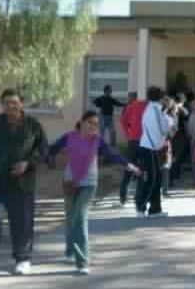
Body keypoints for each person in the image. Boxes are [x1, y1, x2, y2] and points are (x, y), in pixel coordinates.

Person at [0, 89, 48, 284]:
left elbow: (43, 151)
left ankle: (22, 259)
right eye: (6, 103)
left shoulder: (33, 125)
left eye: (14, 102)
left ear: (21, 104)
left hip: (22, 184)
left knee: (22, 222)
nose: (10, 106)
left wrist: (27, 164)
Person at [49, 111, 141, 275]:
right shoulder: (69, 137)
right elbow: (52, 149)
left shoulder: (97, 140)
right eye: (90, 122)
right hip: (70, 183)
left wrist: (129, 166)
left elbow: (112, 154)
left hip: (88, 184)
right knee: (70, 219)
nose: (93, 126)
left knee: (80, 218)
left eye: (96, 124)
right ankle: (70, 249)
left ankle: (82, 261)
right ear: (81, 122)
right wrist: (42, 158)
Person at [135, 86, 173, 218]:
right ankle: (141, 207)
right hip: (149, 148)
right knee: (151, 179)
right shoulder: (156, 109)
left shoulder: (151, 108)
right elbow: (164, 129)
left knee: (157, 178)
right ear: (160, 97)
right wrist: (168, 118)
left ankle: (155, 209)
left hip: (149, 147)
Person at [119, 92, 147, 206]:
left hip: (133, 140)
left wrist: (128, 134)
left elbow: (123, 121)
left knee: (129, 168)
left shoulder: (131, 106)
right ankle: (138, 198)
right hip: (144, 142)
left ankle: (123, 197)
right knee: (142, 170)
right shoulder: (149, 106)